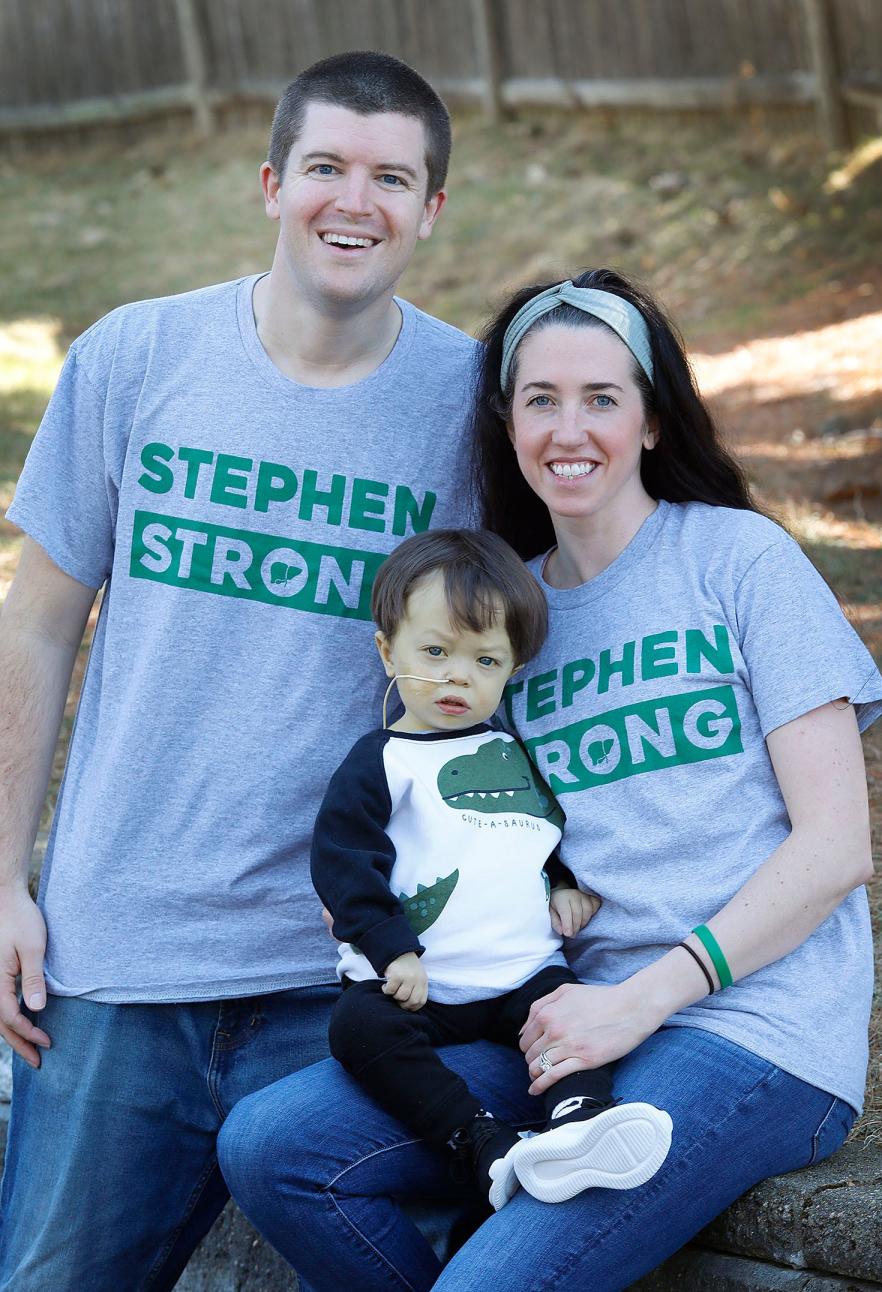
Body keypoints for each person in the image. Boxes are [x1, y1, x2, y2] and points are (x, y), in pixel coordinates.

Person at [216, 269, 882, 1291]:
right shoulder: (505, 624)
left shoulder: (740, 561)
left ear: (654, 419)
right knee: (275, 1145)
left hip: (751, 1030)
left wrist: (642, 999)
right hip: (560, 1021)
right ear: (508, 419)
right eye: (541, 398)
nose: (568, 428)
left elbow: (838, 846)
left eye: (602, 397)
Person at [0, 50, 479, 1290]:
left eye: (391, 177)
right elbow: (37, 626)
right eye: (325, 166)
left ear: (431, 209)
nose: (352, 201)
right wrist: (3, 878)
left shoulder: (469, 405)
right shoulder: (131, 358)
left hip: (340, 977)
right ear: (272, 182)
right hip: (114, 958)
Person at [315, 528, 673, 1211]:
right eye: (435, 652)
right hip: (420, 982)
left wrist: (564, 886)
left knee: (566, 1013)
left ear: (511, 669)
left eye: (485, 660)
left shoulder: (512, 749)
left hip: (519, 969)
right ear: (388, 651)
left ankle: (579, 1124)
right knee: (357, 1030)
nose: (458, 675)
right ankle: (482, 1144)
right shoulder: (380, 761)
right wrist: (393, 951)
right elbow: (342, 863)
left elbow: (544, 834)